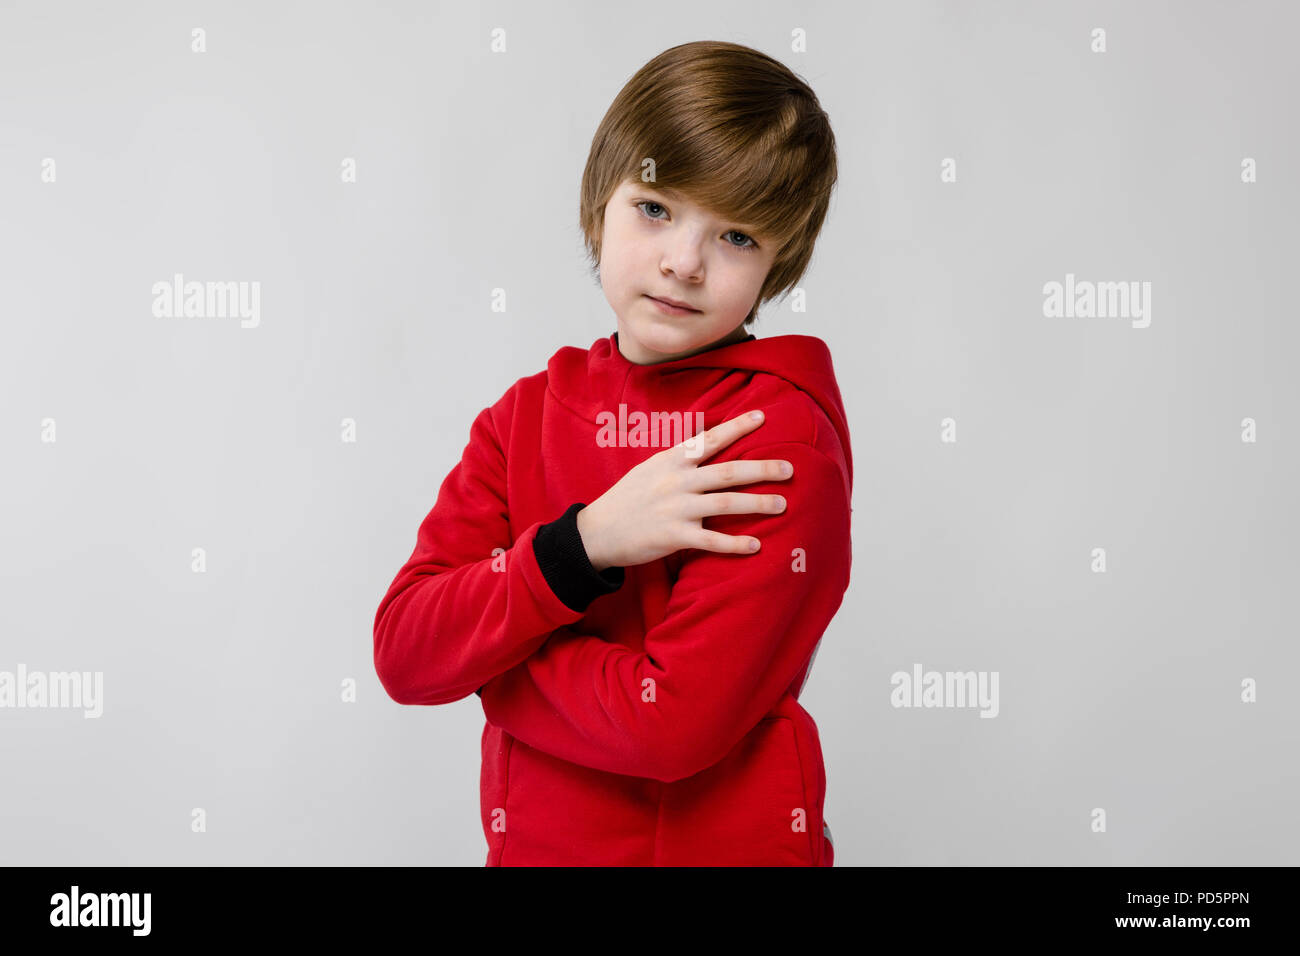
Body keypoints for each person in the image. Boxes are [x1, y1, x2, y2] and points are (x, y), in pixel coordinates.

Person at [373, 40, 850, 866]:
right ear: (601, 202)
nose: (683, 263)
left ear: (779, 266)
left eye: (736, 236)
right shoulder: (520, 418)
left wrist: (491, 665)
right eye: (657, 208)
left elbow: (669, 728)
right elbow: (408, 654)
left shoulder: (775, 441)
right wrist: (581, 544)